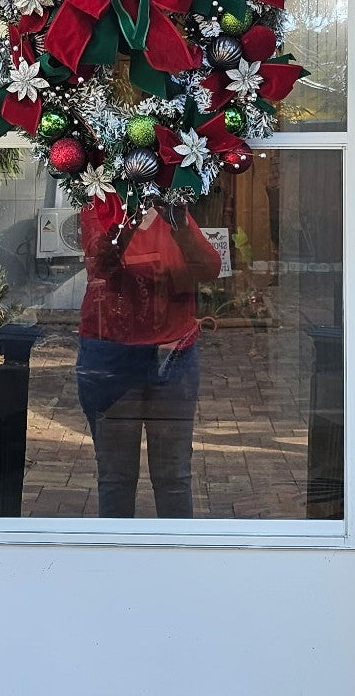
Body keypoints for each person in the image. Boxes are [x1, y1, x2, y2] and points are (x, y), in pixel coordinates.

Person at [76, 202, 221, 518]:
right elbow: (101, 264)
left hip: (173, 355)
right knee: (116, 478)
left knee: (174, 477)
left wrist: (180, 225)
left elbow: (210, 268)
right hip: (112, 355)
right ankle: (116, 565)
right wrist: (130, 217)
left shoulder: (170, 210)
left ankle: (177, 562)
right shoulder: (98, 205)